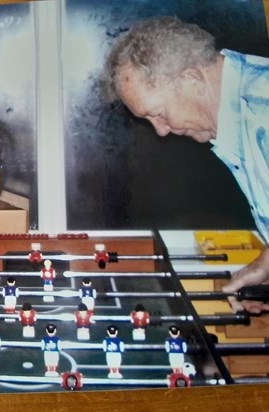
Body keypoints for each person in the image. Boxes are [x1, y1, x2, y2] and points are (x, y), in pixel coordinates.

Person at [102, 16, 269, 314]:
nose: (162, 131)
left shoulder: (263, 112)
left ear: (193, 79)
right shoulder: (245, 114)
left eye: (161, 114)